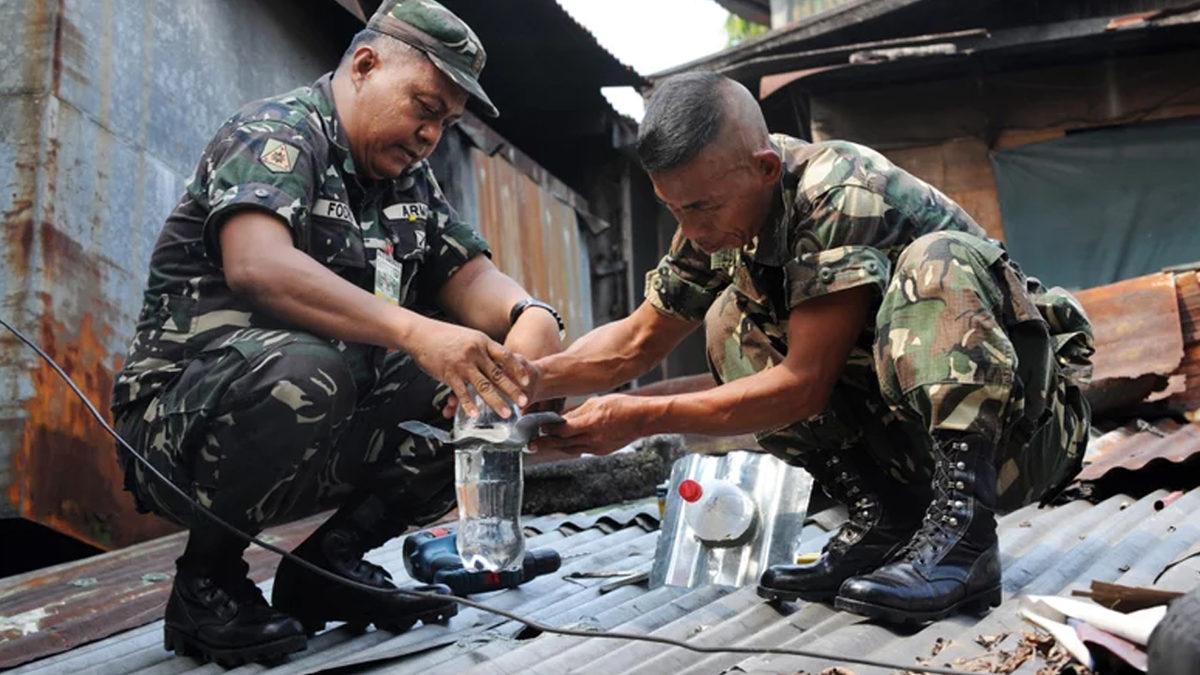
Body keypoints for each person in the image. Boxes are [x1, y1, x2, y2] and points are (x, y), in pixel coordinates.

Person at [530, 72, 1094, 624]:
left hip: (1026, 434)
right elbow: (635, 342)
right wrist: (525, 380)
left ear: (765, 168)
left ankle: (964, 541)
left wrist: (641, 418)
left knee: (936, 260)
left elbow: (802, 386)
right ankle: (887, 522)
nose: (691, 231)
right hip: (910, 441)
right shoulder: (716, 211)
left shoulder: (839, 193)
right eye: (673, 209)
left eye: (700, 208)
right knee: (729, 320)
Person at [110, 0, 565, 665]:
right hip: (180, 427)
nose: (430, 134)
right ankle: (206, 581)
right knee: (313, 369)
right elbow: (257, 265)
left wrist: (534, 321)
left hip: (316, 415)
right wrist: (417, 333)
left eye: (445, 123)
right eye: (424, 105)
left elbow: (473, 283)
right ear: (364, 64)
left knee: (481, 385)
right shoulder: (277, 134)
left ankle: (328, 565)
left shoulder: (409, 181)